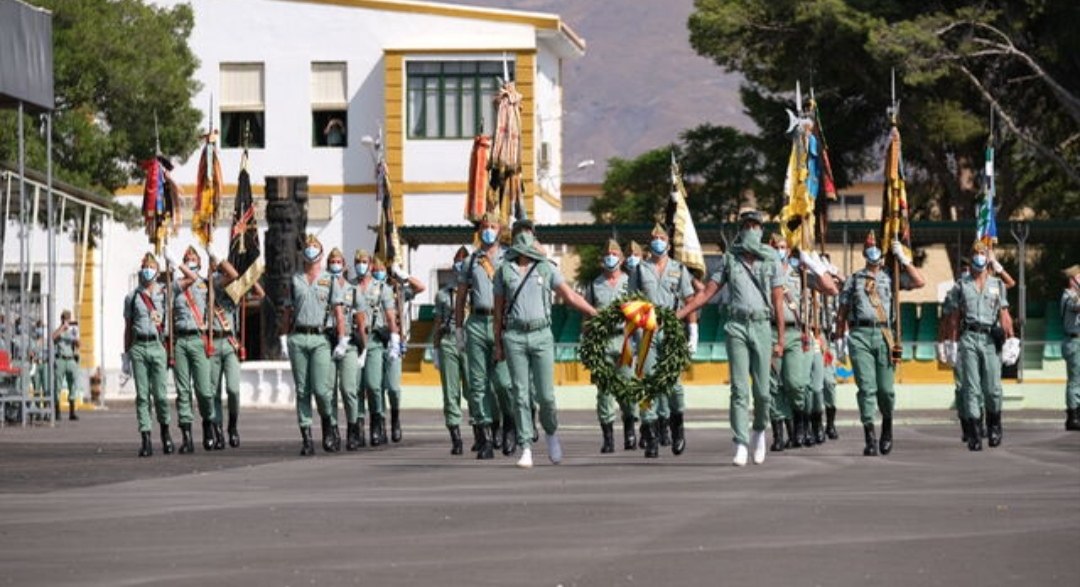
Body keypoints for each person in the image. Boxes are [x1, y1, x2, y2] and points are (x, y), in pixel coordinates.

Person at [678, 209, 782, 466]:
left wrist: (780, 338)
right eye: (746, 226)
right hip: (736, 325)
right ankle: (741, 443)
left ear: (761, 230)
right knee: (739, 388)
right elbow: (707, 293)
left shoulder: (771, 258)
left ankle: (759, 430)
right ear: (740, 230)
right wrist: (678, 314)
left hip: (761, 325)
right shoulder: (729, 259)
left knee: (763, 392)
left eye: (755, 226)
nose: (750, 230)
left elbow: (778, 300)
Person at [493, 231, 597, 468]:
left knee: (546, 396)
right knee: (520, 394)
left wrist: (594, 312)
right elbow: (498, 311)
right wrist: (497, 343)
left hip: (541, 334)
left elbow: (569, 295)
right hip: (514, 336)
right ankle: (526, 446)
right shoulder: (504, 271)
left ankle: (551, 433)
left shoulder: (546, 268)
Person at [836, 232, 926, 457]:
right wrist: (838, 337)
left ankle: (887, 426)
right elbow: (842, 311)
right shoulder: (854, 279)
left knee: (885, 390)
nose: (873, 248)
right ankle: (870, 437)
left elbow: (919, 282)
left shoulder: (891, 276)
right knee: (866, 388)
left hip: (885, 335)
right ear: (864, 252)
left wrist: (905, 260)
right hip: (859, 335)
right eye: (870, 245)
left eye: (877, 245)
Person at [626, 223, 697, 458]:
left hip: (671, 329)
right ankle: (651, 436)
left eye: (662, 238)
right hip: (646, 330)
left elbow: (690, 300)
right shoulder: (640, 269)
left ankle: (678, 428)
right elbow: (630, 302)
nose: (658, 241)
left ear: (668, 242)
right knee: (647, 384)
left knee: (673, 384)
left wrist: (693, 331)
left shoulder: (679, 269)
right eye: (654, 238)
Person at [767, 235, 840, 451]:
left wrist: (815, 267)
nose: (779, 251)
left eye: (783, 247)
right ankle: (780, 434)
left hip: (796, 332)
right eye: (775, 247)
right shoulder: (764, 272)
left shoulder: (799, 274)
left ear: (789, 250)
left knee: (797, 383)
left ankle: (801, 424)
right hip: (770, 330)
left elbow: (832, 289)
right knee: (773, 386)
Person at [455, 212, 515, 459]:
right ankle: (486, 437)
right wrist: (459, 329)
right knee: (478, 385)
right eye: (484, 226)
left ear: (500, 230)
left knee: (503, 383)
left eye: (493, 226)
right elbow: (461, 297)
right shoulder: (471, 261)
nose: (488, 230)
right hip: (477, 323)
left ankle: (509, 423)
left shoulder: (509, 258)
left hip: (502, 324)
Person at [281, 234, 346, 456]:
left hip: (320, 338)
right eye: (307, 247)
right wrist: (283, 337)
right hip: (298, 336)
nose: (310, 250)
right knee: (302, 390)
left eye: (314, 246)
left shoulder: (330, 280)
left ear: (321, 252)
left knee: (321, 389)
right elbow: (288, 310)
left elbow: (338, 312)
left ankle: (329, 425)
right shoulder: (296, 279)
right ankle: (307, 437)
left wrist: (342, 339)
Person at [946, 242, 1014, 451]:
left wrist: (1011, 339)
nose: (979, 256)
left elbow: (1004, 314)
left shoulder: (997, 284)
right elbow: (954, 317)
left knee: (992, 389)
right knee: (971, 388)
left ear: (988, 257)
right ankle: (975, 433)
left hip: (990, 339)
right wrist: (952, 343)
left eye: (983, 253)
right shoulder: (961, 285)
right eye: (975, 253)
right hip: (969, 337)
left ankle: (994, 426)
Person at [584, 238, 638, 453]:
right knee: (604, 391)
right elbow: (587, 316)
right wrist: (587, 342)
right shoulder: (594, 285)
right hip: (602, 342)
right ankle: (608, 437)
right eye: (607, 254)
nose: (610, 257)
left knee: (627, 388)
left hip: (626, 341)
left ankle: (630, 430)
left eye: (614, 254)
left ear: (621, 259)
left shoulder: (631, 282)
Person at [123, 252, 173, 457]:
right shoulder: (132, 297)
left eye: (151, 267)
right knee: (142, 395)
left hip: (157, 346)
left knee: (160, 395)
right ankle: (146, 438)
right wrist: (126, 356)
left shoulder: (164, 294)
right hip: (139, 347)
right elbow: (127, 327)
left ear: (157, 271)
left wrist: (173, 266)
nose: (148, 270)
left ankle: (165, 431)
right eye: (145, 266)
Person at [171, 246, 221, 452]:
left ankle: (208, 422)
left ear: (200, 263)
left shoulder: (207, 283)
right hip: (181, 341)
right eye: (186, 259)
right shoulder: (175, 285)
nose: (190, 261)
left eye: (193, 258)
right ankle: (187, 437)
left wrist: (214, 257)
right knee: (183, 391)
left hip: (199, 339)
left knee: (204, 391)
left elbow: (232, 276)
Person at [355, 250, 399, 446]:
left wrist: (395, 338)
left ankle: (376, 422)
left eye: (364, 261)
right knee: (355, 387)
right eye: (358, 261)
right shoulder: (350, 286)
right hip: (354, 340)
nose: (361, 265)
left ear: (371, 264)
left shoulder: (382, 288)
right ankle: (357, 428)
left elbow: (390, 316)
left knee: (374, 386)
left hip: (374, 340)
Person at [324, 248, 367, 451]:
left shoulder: (353, 290)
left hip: (348, 343)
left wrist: (364, 349)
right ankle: (332, 430)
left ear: (344, 265)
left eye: (338, 262)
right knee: (329, 390)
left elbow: (361, 322)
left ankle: (353, 429)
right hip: (327, 341)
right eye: (332, 261)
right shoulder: (323, 287)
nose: (335, 265)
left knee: (349, 389)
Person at [207, 256, 250, 448]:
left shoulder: (230, 286)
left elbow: (234, 275)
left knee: (233, 389)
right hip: (213, 342)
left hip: (230, 342)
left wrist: (219, 259)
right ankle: (218, 432)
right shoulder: (208, 285)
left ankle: (232, 425)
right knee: (213, 391)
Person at [381, 261, 425, 443]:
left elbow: (420, 287)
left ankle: (395, 418)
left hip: (394, 341)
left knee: (393, 388)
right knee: (376, 387)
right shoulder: (372, 291)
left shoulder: (399, 293)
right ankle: (379, 425)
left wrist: (404, 275)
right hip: (375, 339)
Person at [433, 247, 470, 454]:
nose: (460, 264)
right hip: (449, 341)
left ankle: (481, 432)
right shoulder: (443, 294)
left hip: (470, 341)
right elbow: (437, 323)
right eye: (457, 260)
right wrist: (436, 349)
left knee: (474, 390)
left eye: (464, 260)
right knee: (450, 392)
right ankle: (456, 438)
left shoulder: (476, 290)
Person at [52, 310, 82, 421]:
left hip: (71, 359)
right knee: (57, 385)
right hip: (61, 359)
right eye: (65, 318)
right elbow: (53, 337)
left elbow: (79, 345)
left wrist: (76, 338)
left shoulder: (72, 331)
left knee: (72, 384)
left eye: (68, 318)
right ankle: (57, 411)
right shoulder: (59, 330)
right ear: (62, 319)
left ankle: (72, 412)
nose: (67, 320)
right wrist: (62, 328)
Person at [1062, 264, 1080, 431]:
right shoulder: (1070, 295)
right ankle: (1072, 416)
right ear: (1072, 280)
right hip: (1074, 342)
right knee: (1075, 380)